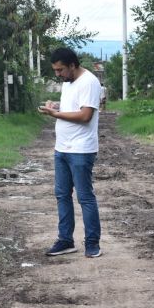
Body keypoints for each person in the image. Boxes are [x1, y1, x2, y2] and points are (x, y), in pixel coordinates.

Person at [37, 47, 103, 258]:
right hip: (62, 148)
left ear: (73, 65)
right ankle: (66, 240)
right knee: (62, 195)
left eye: (60, 70)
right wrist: (55, 106)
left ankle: (92, 243)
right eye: (55, 70)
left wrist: (55, 113)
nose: (58, 74)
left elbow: (85, 116)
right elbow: (72, 107)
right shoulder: (69, 82)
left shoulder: (89, 82)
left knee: (85, 197)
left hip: (81, 150)